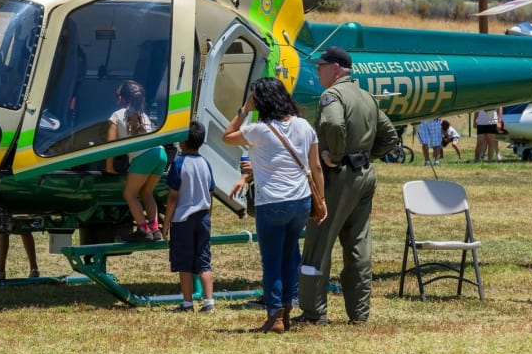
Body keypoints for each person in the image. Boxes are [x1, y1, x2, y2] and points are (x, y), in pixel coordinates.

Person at [295, 46, 397, 326]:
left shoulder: (332, 95)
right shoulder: (367, 97)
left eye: (321, 66)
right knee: (358, 244)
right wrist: (364, 156)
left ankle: (314, 313)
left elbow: (333, 123)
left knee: (318, 242)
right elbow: (390, 137)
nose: (317, 70)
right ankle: (359, 314)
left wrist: (336, 156)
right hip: (364, 175)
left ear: (336, 69)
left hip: (338, 176)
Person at [224, 78, 325, 333]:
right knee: (290, 256)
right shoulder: (304, 125)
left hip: (272, 202)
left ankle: (275, 316)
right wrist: (321, 200)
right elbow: (316, 167)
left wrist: (244, 109)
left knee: (272, 261)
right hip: (301, 200)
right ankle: (288, 312)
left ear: (261, 101)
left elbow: (227, 136)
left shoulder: (259, 130)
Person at [104, 80, 167, 242]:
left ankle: (143, 230)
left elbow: (110, 144)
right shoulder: (144, 115)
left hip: (143, 157)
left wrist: (109, 167)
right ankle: (155, 229)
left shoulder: (117, 115)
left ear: (122, 99)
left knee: (129, 194)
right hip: (160, 153)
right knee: (146, 193)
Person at [163, 121, 216, 314]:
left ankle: (187, 303)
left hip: (183, 218)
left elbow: (173, 196)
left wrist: (166, 223)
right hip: (203, 217)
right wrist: (209, 216)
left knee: (184, 262)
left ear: (183, 142)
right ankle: (209, 301)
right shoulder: (205, 163)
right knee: (204, 259)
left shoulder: (178, 163)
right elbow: (211, 192)